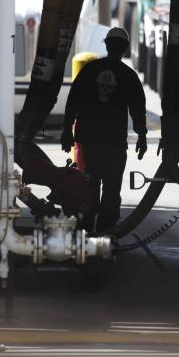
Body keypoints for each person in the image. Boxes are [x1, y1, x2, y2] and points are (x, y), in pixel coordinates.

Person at [61, 27, 147, 233]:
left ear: (106, 45)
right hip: (114, 144)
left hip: (90, 142)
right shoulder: (128, 76)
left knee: (90, 187)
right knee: (111, 190)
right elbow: (138, 109)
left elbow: (73, 102)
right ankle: (107, 235)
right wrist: (142, 136)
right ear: (125, 48)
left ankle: (86, 231)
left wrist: (67, 131)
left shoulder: (89, 71)